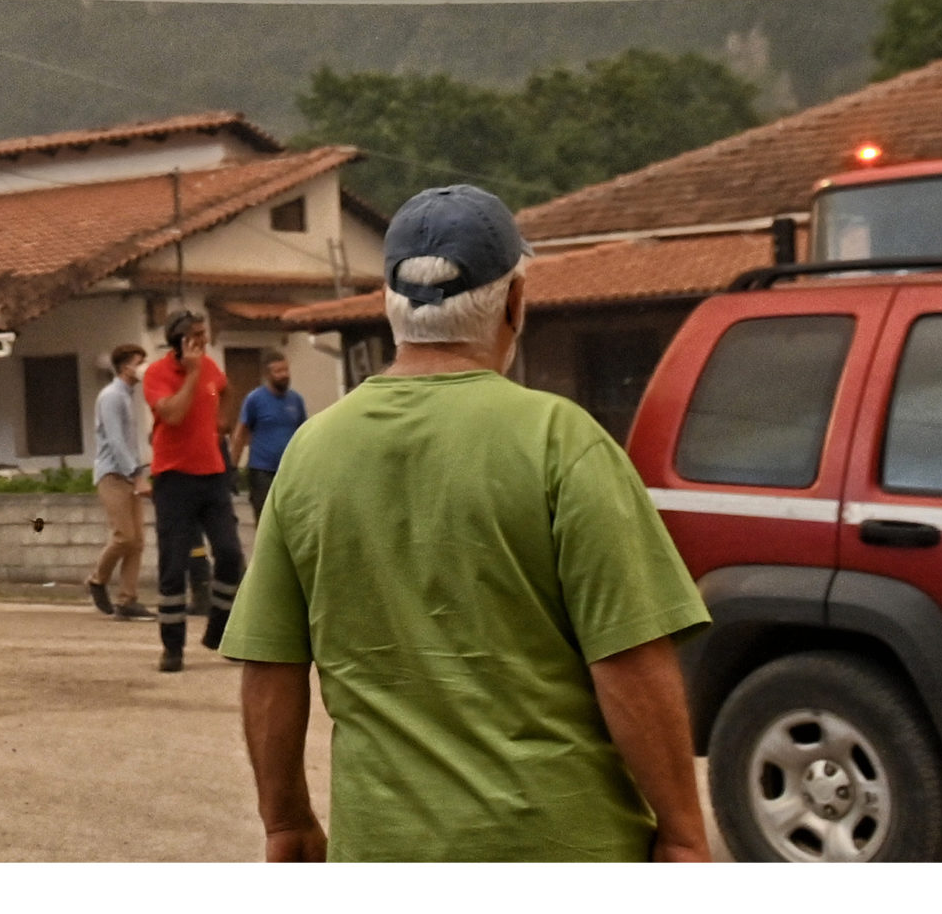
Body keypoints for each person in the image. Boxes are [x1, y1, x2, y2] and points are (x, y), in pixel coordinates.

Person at [222, 185, 711, 863]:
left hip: (382, 854)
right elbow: (629, 660)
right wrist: (683, 831)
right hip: (562, 848)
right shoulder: (561, 441)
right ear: (514, 302)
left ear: (390, 305)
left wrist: (286, 822)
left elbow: (271, 662)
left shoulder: (311, 452)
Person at [142, 311, 241, 674]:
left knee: (230, 554)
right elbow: (173, 415)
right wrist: (193, 374)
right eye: (197, 335)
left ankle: (219, 631)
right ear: (179, 341)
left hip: (213, 474)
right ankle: (172, 647)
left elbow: (227, 390)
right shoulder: (156, 374)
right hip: (174, 479)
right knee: (174, 564)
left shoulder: (212, 367)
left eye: (204, 333)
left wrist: (222, 422)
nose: (204, 340)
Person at [87, 345, 151, 618]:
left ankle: (127, 599)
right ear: (126, 367)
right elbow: (115, 441)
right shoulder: (112, 396)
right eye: (140, 362)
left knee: (137, 540)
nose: (144, 367)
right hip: (113, 475)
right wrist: (136, 475)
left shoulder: (127, 396)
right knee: (124, 535)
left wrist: (140, 471)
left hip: (129, 473)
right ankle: (97, 579)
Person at [230, 354, 307, 523]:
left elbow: (304, 434)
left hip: (289, 470)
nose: (284, 374)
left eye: (286, 370)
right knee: (266, 520)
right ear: (267, 375)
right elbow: (240, 433)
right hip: (262, 471)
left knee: (292, 519)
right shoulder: (254, 399)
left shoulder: (296, 400)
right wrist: (233, 467)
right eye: (278, 371)